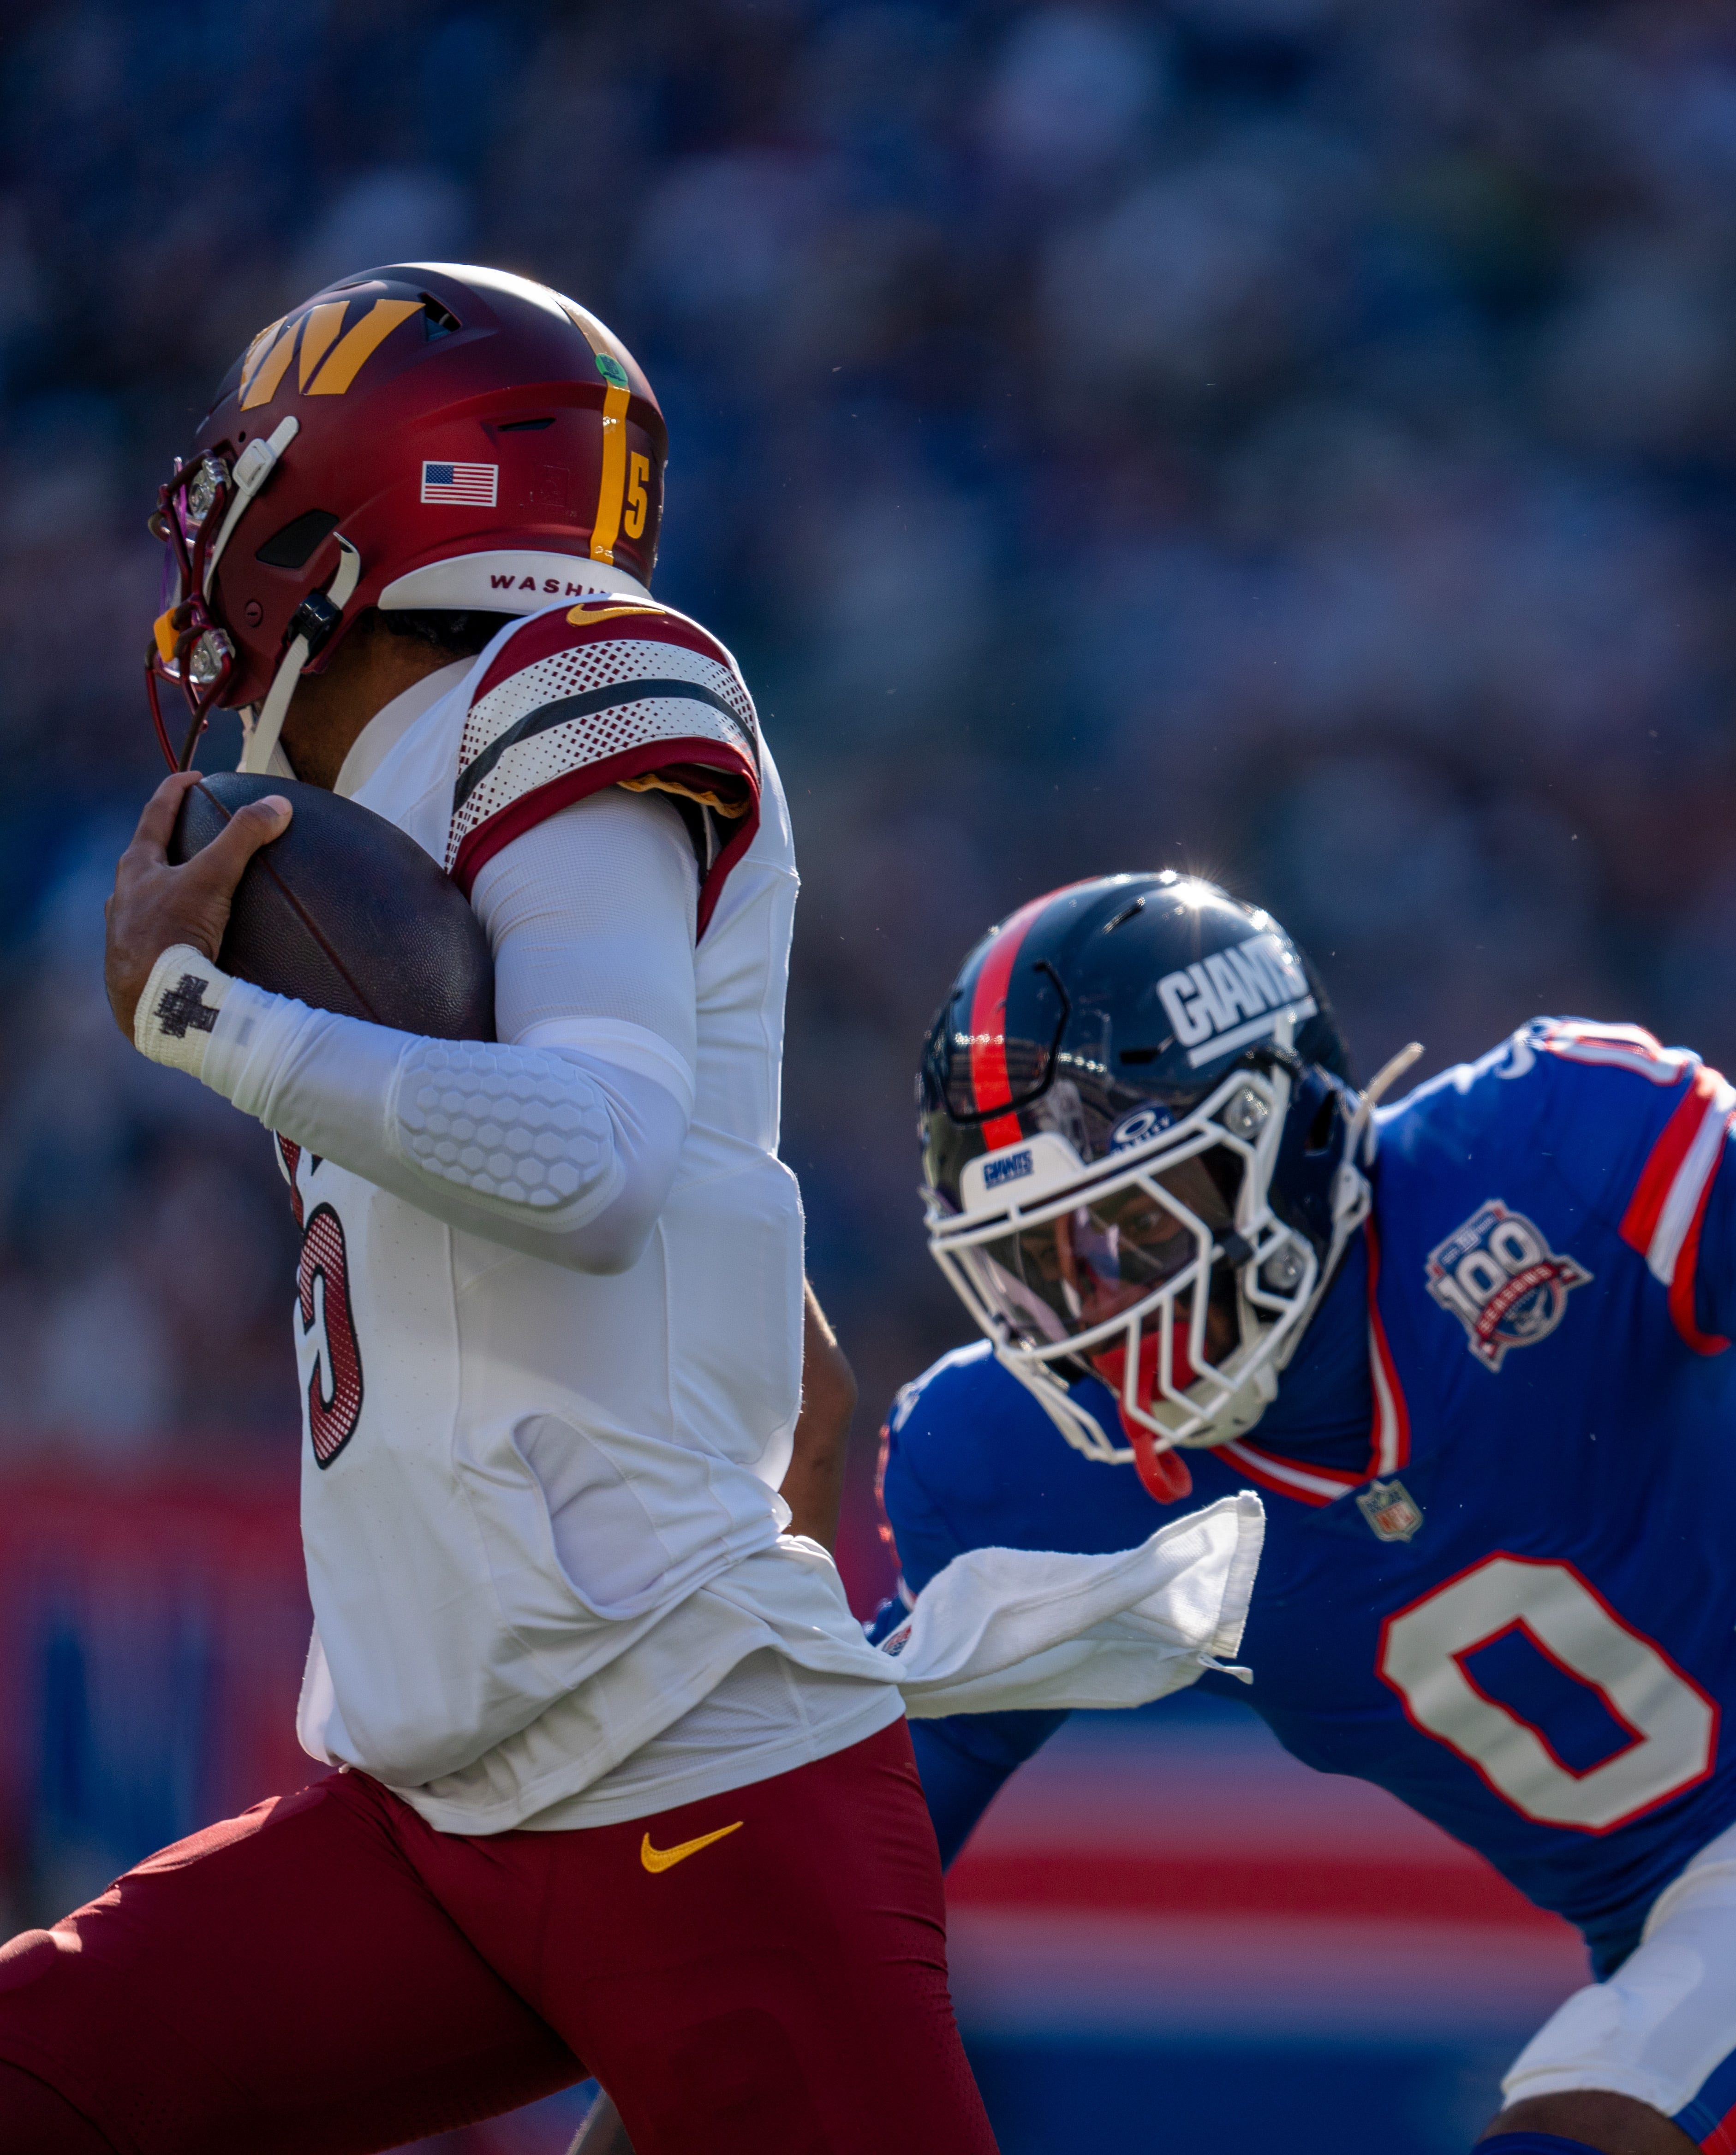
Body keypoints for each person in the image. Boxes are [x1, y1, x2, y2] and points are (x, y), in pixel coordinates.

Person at [0, 261, 1007, 2155]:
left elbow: (603, 1163)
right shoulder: (358, 808)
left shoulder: (578, 677)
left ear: (366, 495)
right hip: (433, 1811)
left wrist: (204, 1018)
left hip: (690, 1793)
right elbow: (765, 1330)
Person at [873, 870, 1736, 2155]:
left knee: (1584, 2127)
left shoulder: (1547, 1157)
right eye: (1037, 1265)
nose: (1094, 1315)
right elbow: (860, 1856)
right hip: (1706, 1959)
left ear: (1285, 1139)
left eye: (1135, 1233)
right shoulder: (1012, 1469)